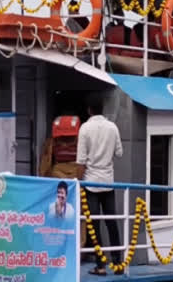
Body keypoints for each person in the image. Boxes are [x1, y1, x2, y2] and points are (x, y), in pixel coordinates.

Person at [76, 98, 123, 276]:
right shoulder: (113, 127)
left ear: (89, 110)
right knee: (112, 223)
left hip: (91, 183)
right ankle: (118, 263)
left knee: (94, 225)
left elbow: (81, 162)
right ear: (102, 109)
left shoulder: (85, 129)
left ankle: (101, 265)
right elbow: (119, 153)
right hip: (108, 182)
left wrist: (78, 183)